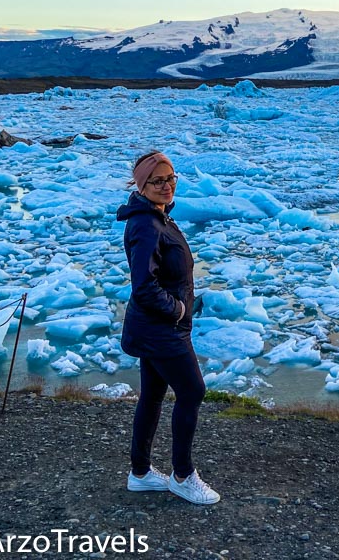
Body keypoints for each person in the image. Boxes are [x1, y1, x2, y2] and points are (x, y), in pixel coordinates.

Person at [118, 150, 219, 505]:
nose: (166, 185)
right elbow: (144, 286)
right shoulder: (146, 225)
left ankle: (141, 472)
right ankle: (183, 475)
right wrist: (177, 310)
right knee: (192, 392)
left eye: (170, 178)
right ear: (142, 185)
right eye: (157, 181)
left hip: (155, 328)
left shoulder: (158, 217)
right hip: (162, 329)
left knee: (153, 394)